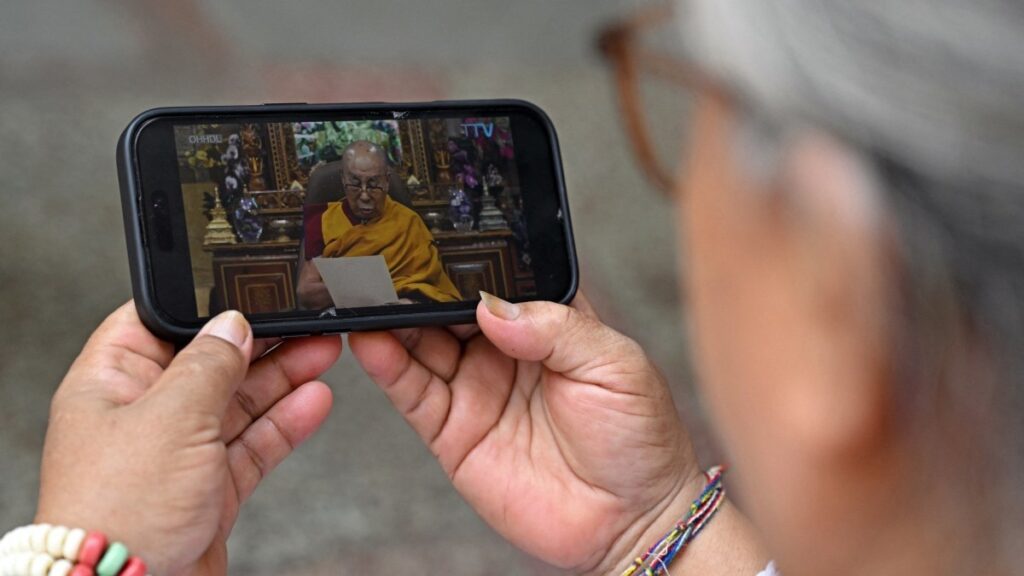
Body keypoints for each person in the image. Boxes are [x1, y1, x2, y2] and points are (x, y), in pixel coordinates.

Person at [11, 1, 1024, 575]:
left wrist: (92, 556)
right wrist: (659, 526)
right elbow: (336, 273)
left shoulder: (405, 217)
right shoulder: (337, 214)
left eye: (686, 92)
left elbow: (413, 271)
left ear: (831, 293)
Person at [296, 140, 461, 309]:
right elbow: (306, 292)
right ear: (342, 179)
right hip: (349, 316)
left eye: (374, 185)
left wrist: (407, 303)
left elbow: (433, 288)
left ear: (387, 181)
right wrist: (371, 292)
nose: (365, 196)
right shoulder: (325, 222)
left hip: (404, 311)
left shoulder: (408, 222)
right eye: (354, 184)